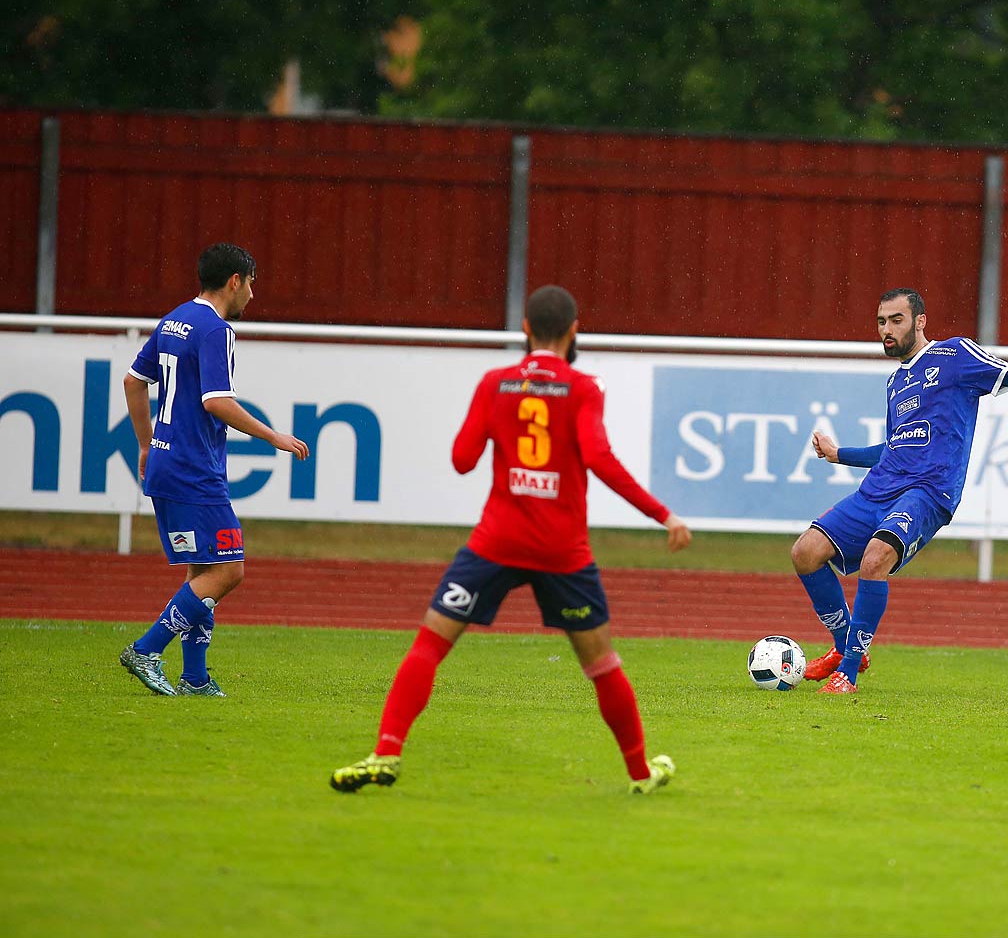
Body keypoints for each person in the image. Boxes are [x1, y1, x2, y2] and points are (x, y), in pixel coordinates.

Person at [331, 284, 692, 795]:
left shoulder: (494, 382)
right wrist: (664, 515)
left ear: (524, 330)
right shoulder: (584, 387)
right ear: (573, 330)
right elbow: (598, 457)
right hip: (562, 551)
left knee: (430, 644)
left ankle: (385, 752)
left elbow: (461, 459)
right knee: (602, 665)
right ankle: (639, 774)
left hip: (495, 542)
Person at [792, 287, 1008, 695]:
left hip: (927, 492)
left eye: (896, 320)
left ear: (920, 321)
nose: (886, 331)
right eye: (880, 322)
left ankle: (848, 675)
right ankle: (845, 649)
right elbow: (893, 448)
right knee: (805, 552)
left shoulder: (954, 355)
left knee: (875, 560)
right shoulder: (895, 383)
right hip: (879, 489)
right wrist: (840, 454)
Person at [117, 243, 312, 697]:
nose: (252, 295)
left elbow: (132, 380)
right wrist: (272, 436)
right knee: (229, 570)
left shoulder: (174, 319)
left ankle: (195, 677)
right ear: (234, 282)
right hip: (192, 468)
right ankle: (147, 650)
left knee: (203, 569)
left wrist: (146, 444)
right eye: (251, 284)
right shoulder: (216, 330)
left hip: (167, 461)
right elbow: (215, 401)